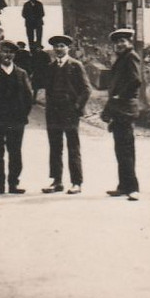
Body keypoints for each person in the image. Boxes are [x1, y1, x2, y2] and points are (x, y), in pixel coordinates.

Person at [0, 40, 33, 195]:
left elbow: (28, 98)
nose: (7, 55)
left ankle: (14, 183)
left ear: (14, 55)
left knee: (15, 152)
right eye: (4, 52)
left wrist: (22, 116)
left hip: (16, 121)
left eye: (11, 52)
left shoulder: (22, 74)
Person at [42, 34, 91, 196]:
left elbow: (86, 89)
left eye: (62, 46)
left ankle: (76, 182)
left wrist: (77, 107)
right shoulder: (49, 67)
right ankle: (57, 181)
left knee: (73, 146)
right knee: (55, 147)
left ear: (68, 48)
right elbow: (47, 90)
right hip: (53, 113)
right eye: (56, 46)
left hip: (70, 113)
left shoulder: (76, 65)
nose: (59, 49)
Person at [103, 28, 141, 202]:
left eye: (123, 41)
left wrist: (121, 95)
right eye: (117, 42)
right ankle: (123, 186)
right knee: (120, 149)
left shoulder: (131, 57)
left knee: (126, 149)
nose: (120, 44)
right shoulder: (121, 59)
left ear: (129, 43)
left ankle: (133, 188)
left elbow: (136, 80)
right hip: (119, 109)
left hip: (125, 108)